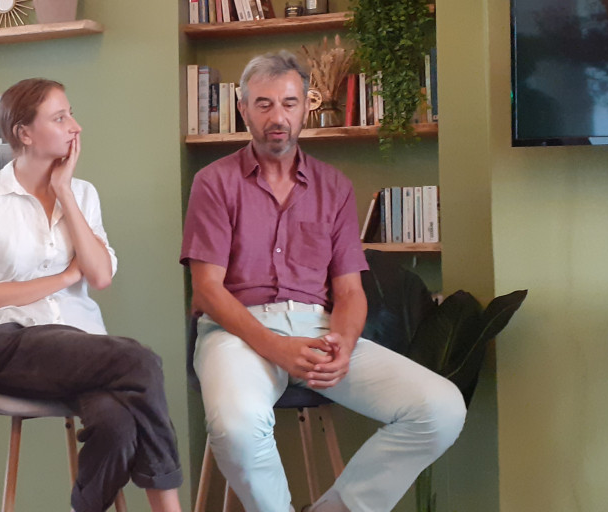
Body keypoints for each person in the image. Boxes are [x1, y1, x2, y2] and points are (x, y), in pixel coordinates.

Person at [181, 51, 466, 512]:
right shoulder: (213, 183)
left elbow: (350, 291)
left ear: (306, 107)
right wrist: (277, 348)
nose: (278, 117)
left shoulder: (334, 187)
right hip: (236, 331)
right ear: (243, 108)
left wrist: (343, 344)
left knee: (441, 408)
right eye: (265, 104)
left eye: (289, 103)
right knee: (234, 427)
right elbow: (207, 291)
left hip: (318, 330)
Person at [0, 78, 183, 512]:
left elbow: (99, 276)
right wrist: (61, 278)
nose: (75, 126)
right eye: (60, 118)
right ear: (24, 133)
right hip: (7, 344)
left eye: (71, 114)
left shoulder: (83, 193)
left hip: (80, 346)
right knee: (141, 360)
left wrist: (64, 192)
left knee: (117, 426)